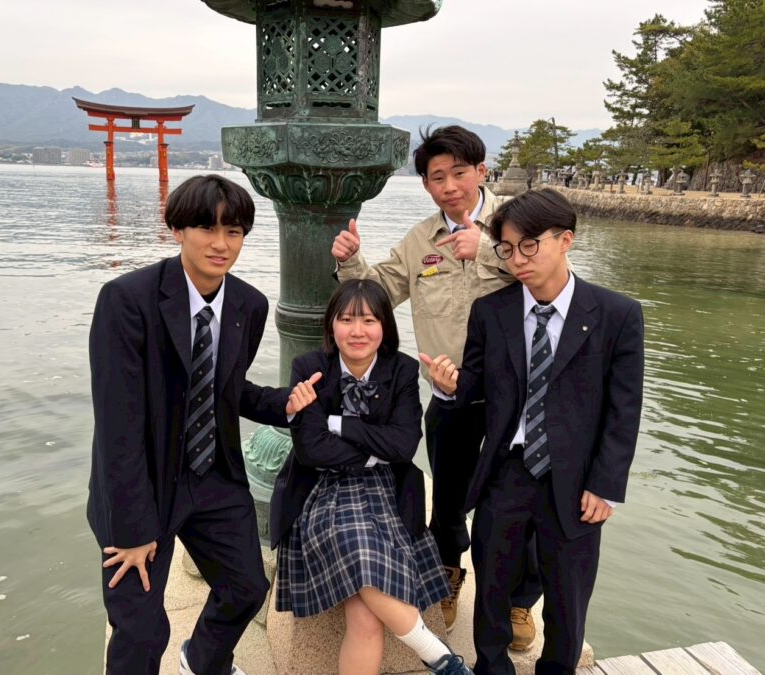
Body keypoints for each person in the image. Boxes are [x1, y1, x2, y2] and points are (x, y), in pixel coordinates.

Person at [86, 174, 322, 675]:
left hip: (211, 475)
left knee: (246, 587)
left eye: (233, 232)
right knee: (140, 630)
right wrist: (132, 530)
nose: (221, 244)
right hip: (145, 482)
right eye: (206, 229)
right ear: (177, 229)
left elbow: (225, 390)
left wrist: (287, 404)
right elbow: (117, 426)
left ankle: (203, 661)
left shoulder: (249, 305)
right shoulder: (126, 300)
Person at [332, 125, 542, 643]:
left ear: (482, 172)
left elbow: (554, 282)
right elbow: (380, 292)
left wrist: (491, 250)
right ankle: (447, 573)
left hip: (522, 394)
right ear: (425, 184)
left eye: (459, 173)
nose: (449, 186)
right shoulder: (420, 241)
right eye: (437, 177)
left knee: (522, 500)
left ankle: (519, 602)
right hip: (450, 394)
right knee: (447, 498)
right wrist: (350, 260)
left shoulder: (520, 225)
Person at [421, 188, 644, 674]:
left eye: (529, 245)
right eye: (506, 248)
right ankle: (492, 668)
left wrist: (606, 485)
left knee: (567, 596)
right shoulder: (492, 312)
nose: (517, 259)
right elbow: (474, 387)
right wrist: (447, 386)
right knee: (492, 586)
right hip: (507, 469)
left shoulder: (616, 315)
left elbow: (624, 409)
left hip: (577, 479)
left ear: (566, 240)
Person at [269, 279, 471, 675]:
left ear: (385, 327)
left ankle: (441, 659)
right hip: (321, 490)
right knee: (361, 552)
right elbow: (311, 450)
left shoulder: (402, 370)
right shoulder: (309, 367)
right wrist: (374, 449)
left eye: (368, 320)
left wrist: (337, 424)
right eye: (346, 320)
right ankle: (439, 656)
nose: (357, 331)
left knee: (365, 617)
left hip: (388, 490)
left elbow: (403, 445)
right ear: (331, 325)